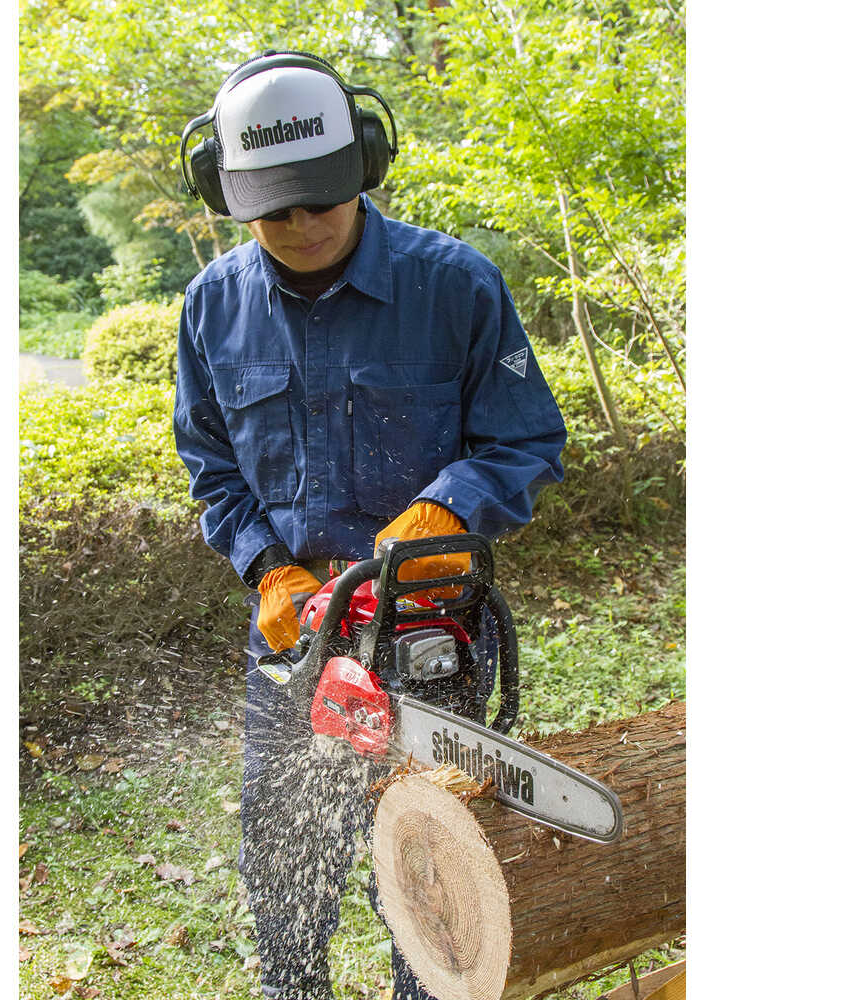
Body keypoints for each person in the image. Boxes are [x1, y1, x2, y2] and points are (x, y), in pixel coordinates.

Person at [174, 49, 566, 1000]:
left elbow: (525, 441)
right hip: (294, 646)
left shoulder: (456, 286)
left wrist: (449, 508)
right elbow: (211, 467)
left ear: (366, 163)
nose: (303, 226)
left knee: (434, 889)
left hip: (432, 637)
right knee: (285, 872)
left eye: (322, 200)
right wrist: (267, 568)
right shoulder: (213, 306)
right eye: (276, 211)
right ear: (228, 191)